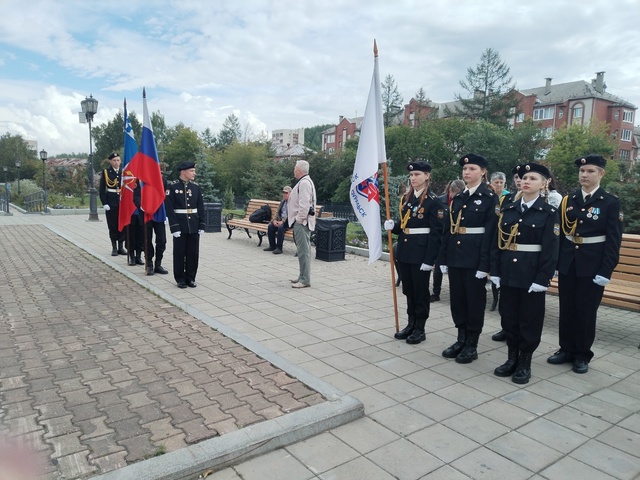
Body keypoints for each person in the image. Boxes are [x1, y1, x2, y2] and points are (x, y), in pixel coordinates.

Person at [548, 154, 623, 374]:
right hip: (569, 263)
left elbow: (613, 240)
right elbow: (561, 234)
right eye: (582, 171)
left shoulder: (609, 202)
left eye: (590, 171)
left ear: (601, 173)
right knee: (567, 308)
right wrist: (555, 263)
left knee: (586, 311)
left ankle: (582, 354)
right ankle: (566, 349)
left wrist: (606, 269)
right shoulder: (568, 199)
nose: (585, 175)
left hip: (593, 265)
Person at [490, 163, 559, 384]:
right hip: (509, 270)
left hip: (531, 273)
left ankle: (525, 361)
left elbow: (551, 249)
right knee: (509, 317)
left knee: (529, 319)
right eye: (524, 177)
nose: (526, 181)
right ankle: (511, 358)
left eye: (533, 178)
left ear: (544, 184)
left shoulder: (548, 213)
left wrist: (543, 278)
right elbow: (498, 243)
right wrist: (496, 271)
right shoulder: (509, 209)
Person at [439, 153, 499, 364]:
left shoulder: (490, 198)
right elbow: (448, 230)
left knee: (474, 302)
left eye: (472, 169)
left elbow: (491, 234)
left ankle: (471, 344)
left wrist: (485, 265)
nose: (467, 172)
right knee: (458, 300)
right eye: (465, 169)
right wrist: (444, 258)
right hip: (456, 257)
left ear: (483, 172)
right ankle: (460, 339)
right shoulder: (458, 197)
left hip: (475, 259)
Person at [384, 161, 445, 344]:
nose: (413, 178)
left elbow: (436, 234)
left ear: (427, 176)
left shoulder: (434, 201)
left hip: (421, 253)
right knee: (409, 290)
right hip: (405, 251)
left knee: (420, 292)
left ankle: (420, 327)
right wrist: (393, 226)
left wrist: (430, 259)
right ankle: (410, 324)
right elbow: (404, 226)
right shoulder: (407, 199)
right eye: (411, 175)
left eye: (417, 174)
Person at [491, 165, 523, 339]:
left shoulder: (541, 199)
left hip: (527, 257)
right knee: (506, 299)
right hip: (507, 254)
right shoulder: (507, 199)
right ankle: (506, 328)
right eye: (517, 177)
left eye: (524, 177)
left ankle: (519, 331)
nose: (520, 180)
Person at [165, 161, 205, 288]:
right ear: (183, 172)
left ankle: (191, 277)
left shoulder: (195, 187)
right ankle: (180, 278)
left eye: (194, 171)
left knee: (193, 253)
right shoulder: (173, 187)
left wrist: (202, 224)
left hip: (193, 223)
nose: (194, 173)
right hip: (180, 225)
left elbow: (201, 207)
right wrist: (174, 227)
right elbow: (169, 208)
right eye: (191, 171)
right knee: (180, 252)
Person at [430, 179, 464, 301]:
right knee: (438, 267)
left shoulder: (463, 201)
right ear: (451, 191)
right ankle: (436, 293)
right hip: (442, 239)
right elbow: (438, 221)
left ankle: (454, 293)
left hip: (455, 239)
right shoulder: (440, 201)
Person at [288, 160, 316, 289]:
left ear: (299, 170)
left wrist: (299, 219)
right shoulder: (304, 182)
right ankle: (302, 276)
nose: (294, 169)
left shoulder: (304, 183)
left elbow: (304, 204)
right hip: (302, 221)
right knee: (302, 250)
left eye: (295, 167)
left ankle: (305, 279)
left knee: (303, 251)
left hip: (302, 222)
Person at [133, 179, 169, 275]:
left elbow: (165, 197)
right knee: (147, 240)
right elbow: (136, 196)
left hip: (159, 213)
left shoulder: (162, 180)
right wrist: (142, 205)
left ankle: (158, 264)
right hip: (146, 214)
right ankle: (149, 263)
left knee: (162, 240)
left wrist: (167, 213)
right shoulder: (140, 180)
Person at [99, 153, 127, 256]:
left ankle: (121, 246)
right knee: (112, 225)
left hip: (122, 201)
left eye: (118, 160)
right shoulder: (106, 172)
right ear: (110, 161)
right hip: (111, 201)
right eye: (114, 160)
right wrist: (104, 203)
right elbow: (102, 189)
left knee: (122, 224)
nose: (116, 162)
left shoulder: (123, 172)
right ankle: (114, 247)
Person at [264, 186, 292, 254]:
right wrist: (274, 220)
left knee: (281, 228)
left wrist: (282, 222)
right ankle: (272, 246)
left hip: (289, 222)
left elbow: (291, 214)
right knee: (270, 226)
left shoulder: (293, 203)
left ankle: (279, 248)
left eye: (286, 193)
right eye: (283, 192)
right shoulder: (283, 202)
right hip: (280, 221)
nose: (284, 194)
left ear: (290, 194)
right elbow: (277, 212)